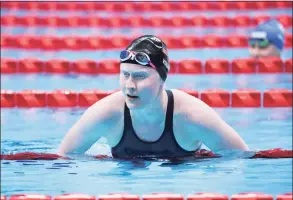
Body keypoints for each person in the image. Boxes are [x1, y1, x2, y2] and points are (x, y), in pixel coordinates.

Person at [57, 35, 249, 159]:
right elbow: (63, 158)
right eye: (125, 75)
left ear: (162, 79)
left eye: (140, 76)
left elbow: (242, 158)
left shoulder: (193, 116)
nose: (130, 85)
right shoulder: (106, 113)